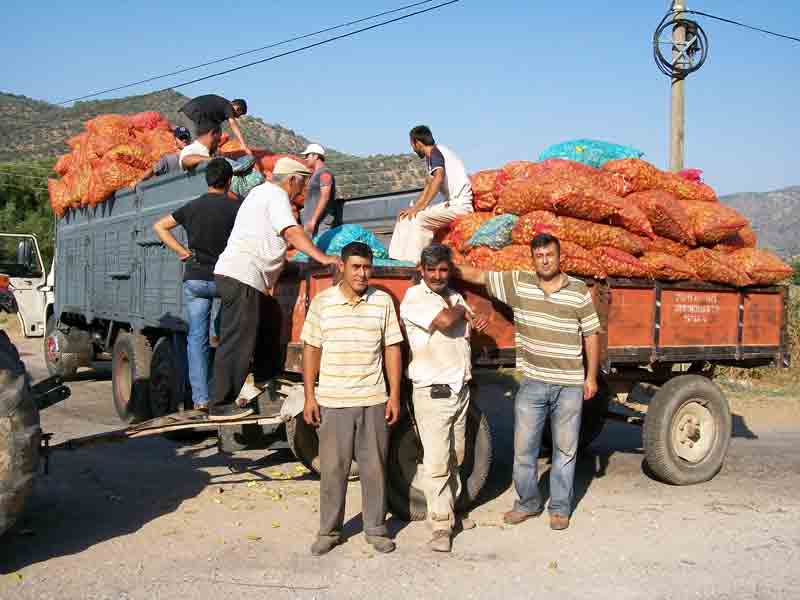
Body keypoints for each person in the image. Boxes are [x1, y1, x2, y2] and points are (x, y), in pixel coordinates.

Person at [456, 233, 601, 531]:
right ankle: (527, 503)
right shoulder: (520, 283)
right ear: (533, 259)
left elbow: (591, 334)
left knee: (565, 450)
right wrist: (445, 265)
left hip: (569, 384)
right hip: (533, 381)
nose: (545, 260)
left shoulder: (578, 290)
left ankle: (560, 507)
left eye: (550, 254)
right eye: (540, 256)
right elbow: (480, 275)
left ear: (559, 257)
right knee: (524, 449)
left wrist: (591, 377)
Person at [211, 157, 338, 421]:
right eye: (301, 185)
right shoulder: (276, 195)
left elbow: (268, 241)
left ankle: (264, 377)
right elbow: (291, 232)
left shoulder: (260, 193)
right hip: (242, 274)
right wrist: (322, 258)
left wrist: (288, 267)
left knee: (270, 318)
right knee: (237, 339)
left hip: (247, 276)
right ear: (291, 179)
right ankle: (221, 404)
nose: (301, 192)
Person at [301, 241, 404, 556]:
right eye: (356, 267)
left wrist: (394, 396)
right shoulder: (323, 303)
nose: (362, 273)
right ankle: (329, 531)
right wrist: (309, 396)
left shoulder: (383, 302)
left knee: (375, 468)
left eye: (367, 267)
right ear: (342, 268)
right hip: (333, 399)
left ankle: (375, 528)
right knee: (333, 469)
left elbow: (392, 349)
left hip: (373, 398)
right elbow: (311, 349)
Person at [399, 243, 487, 552]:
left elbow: (463, 331)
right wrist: (463, 312)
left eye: (443, 269)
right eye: (432, 269)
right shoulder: (415, 298)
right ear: (421, 271)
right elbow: (446, 322)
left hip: (458, 388)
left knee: (455, 455)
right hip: (433, 391)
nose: (438, 275)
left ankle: (453, 511)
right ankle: (439, 526)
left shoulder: (453, 296)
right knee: (436, 461)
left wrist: (475, 322)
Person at [152, 158, 241, 410]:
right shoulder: (237, 208)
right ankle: (224, 392)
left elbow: (159, 226)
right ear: (229, 181)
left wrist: (182, 252)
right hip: (226, 280)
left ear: (207, 179)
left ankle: (200, 399)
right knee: (227, 337)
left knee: (196, 339)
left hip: (196, 279)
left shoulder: (192, 207)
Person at [388, 125, 473, 263]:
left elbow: (438, 178)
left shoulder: (436, 152)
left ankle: (414, 265)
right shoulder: (431, 157)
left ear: (417, 142)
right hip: (451, 204)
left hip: (460, 205)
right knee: (406, 217)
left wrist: (419, 208)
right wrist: (414, 207)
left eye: (412, 144)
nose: (413, 149)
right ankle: (395, 260)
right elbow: (429, 185)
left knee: (419, 219)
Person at [177, 94, 252, 155]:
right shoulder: (228, 106)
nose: (238, 117)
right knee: (195, 145)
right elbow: (233, 124)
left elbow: (215, 129)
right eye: (240, 114)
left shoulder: (221, 108)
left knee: (213, 135)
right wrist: (243, 145)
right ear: (237, 108)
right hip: (192, 114)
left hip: (193, 113)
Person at [301, 143, 341, 237]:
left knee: (321, 250)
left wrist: (313, 221)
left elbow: (325, 197)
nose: (305, 158)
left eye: (307, 155)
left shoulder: (325, 173)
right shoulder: (315, 174)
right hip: (313, 223)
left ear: (315, 156)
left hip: (321, 224)